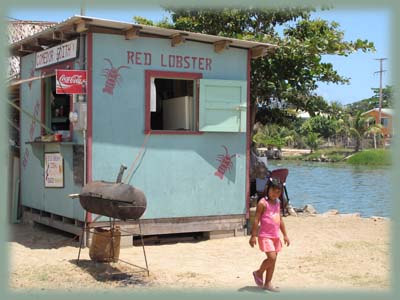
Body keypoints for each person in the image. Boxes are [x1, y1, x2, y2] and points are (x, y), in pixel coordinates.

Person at [249, 177, 290, 292]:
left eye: (278, 192)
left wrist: (285, 235)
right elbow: (256, 220)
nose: (275, 194)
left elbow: (280, 220)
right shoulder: (263, 203)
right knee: (271, 258)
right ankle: (258, 272)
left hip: (275, 236)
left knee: (273, 261)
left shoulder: (278, 202)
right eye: (273, 191)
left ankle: (267, 283)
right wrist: (253, 235)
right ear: (268, 189)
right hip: (265, 235)